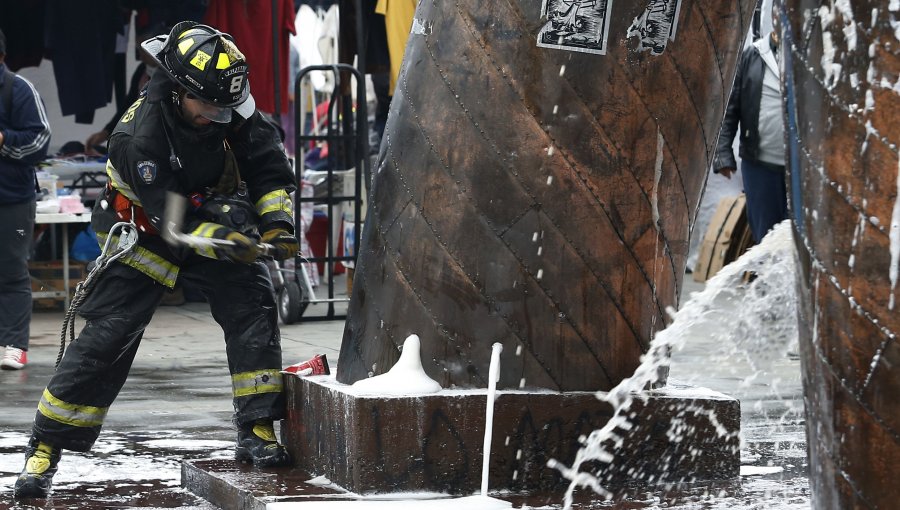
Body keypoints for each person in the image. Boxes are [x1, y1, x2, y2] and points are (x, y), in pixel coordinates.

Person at [14, 21, 299, 498]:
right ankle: (45, 448)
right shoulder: (138, 138)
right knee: (108, 338)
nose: (217, 116)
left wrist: (277, 226)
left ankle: (257, 429)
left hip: (215, 219)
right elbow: (177, 220)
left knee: (252, 305)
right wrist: (233, 234)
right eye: (207, 108)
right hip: (148, 232)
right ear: (179, 93)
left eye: (223, 108)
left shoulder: (229, 102)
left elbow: (268, 162)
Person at [0, 28, 51, 370]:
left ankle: (13, 344)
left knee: (11, 272)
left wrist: (3, 139)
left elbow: (40, 139)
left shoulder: (17, 89)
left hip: (11, 200)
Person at [714, 4, 787, 244]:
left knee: (793, 240)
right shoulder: (754, 55)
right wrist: (723, 154)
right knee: (764, 236)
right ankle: (764, 282)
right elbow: (731, 108)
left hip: (797, 169)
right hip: (759, 166)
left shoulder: (808, 58)